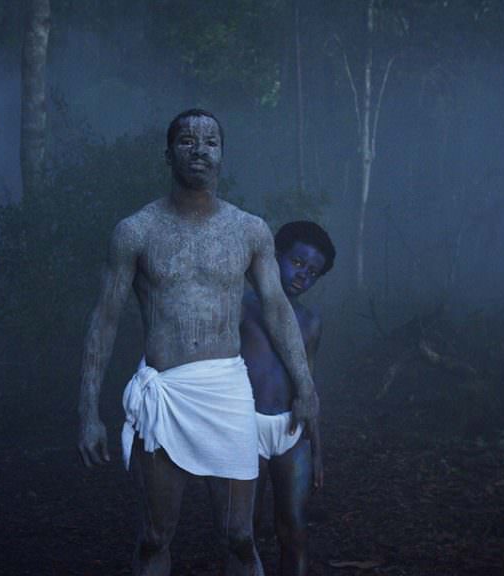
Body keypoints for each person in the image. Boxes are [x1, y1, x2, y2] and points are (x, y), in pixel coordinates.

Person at [76, 109, 318, 576]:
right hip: (167, 392)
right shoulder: (136, 231)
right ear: (168, 154)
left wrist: (306, 385)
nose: (200, 150)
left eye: (210, 142)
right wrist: (87, 412)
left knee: (240, 537)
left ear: (223, 155)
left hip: (226, 390)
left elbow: (276, 307)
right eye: (187, 141)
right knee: (153, 538)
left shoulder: (248, 230)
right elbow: (103, 320)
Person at [240, 221, 334, 576]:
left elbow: (308, 385)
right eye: (297, 262)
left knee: (293, 529)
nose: (302, 275)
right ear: (275, 255)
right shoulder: (243, 307)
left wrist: (318, 450)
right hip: (247, 429)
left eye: (312, 272)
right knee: (244, 528)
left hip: (292, 434)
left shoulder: (310, 321)